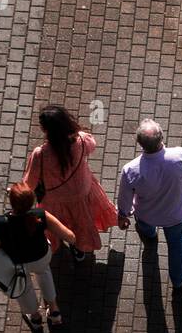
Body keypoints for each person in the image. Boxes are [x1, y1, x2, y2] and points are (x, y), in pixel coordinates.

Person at [0, 182, 78, 333]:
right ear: (32, 201)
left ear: (12, 203)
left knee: (24, 288)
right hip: (41, 257)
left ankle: (35, 317)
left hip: (18, 263)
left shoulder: (0, 222)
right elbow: (70, 236)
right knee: (45, 274)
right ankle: (54, 310)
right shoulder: (40, 215)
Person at [117, 120, 182, 291]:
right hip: (174, 215)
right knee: (176, 245)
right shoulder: (180, 154)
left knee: (146, 228)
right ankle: (178, 280)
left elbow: (125, 198)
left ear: (140, 143)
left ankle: (150, 236)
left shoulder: (130, 169)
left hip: (146, 214)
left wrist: (123, 215)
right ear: (161, 138)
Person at [21, 106, 118, 260]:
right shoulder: (80, 140)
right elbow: (92, 145)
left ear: (46, 130)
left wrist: (17, 193)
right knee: (81, 224)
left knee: (56, 225)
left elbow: (30, 183)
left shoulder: (40, 154)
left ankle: (57, 242)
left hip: (54, 200)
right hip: (82, 193)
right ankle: (79, 248)